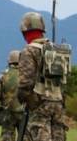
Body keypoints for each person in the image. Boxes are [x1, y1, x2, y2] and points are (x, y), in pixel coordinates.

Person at [17, 12, 71, 141]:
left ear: (25, 31)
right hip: (58, 101)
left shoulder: (29, 51)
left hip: (40, 102)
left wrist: (26, 100)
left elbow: (25, 83)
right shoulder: (56, 49)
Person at [0, 50, 24, 141]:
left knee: (7, 137)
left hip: (8, 112)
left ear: (9, 61)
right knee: (25, 137)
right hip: (24, 113)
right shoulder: (26, 74)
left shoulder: (2, 75)